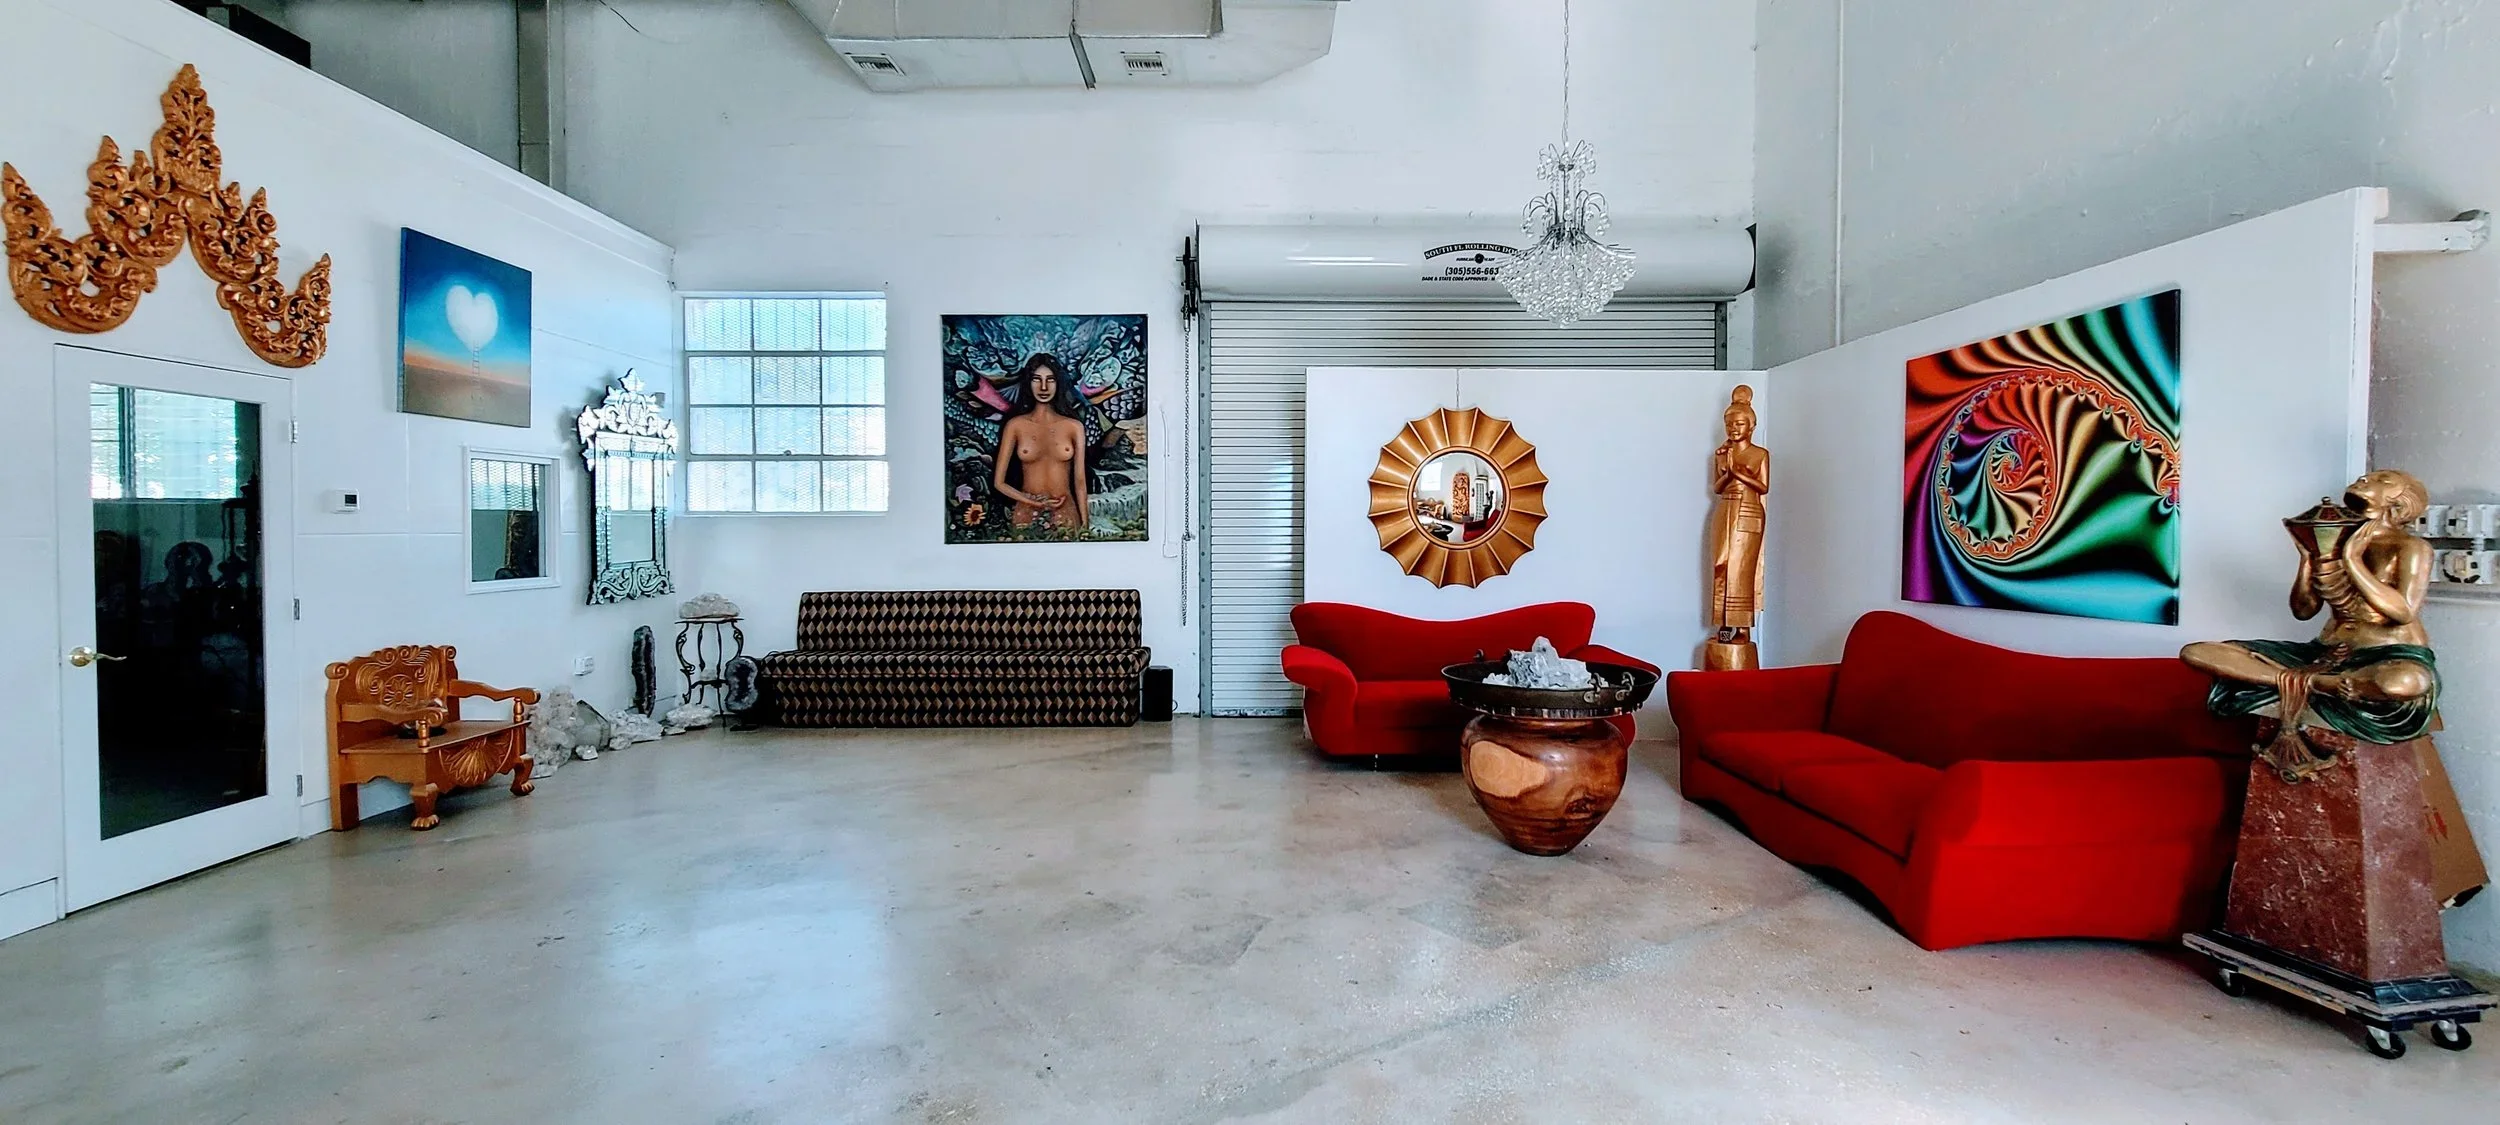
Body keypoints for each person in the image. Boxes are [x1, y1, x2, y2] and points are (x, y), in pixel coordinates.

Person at [2182, 470, 2440, 773]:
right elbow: (2303, 610)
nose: (2366, 479)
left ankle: (2298, 681)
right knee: (2197, 652)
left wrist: (2352, 560)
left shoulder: (2410, 547)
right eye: (2368, 476)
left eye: (2384, 480)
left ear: (2401, 502)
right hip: (2327, 654)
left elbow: (2403, 610)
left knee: (2407, 683)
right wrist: (2307, 558)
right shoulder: (2331, 535)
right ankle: (2319, 684)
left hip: (2387, 654)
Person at [992, 353, 1090, 533]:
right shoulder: (1016, 425)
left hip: (1065, 513)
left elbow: (1080, 481)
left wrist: (1086, 528)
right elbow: (999, 482)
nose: (1043, 387)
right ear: (1028, 383)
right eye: (1037, 379)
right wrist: (1032, 502)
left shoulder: (1074, 427)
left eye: (1050, 380)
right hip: (1026, 513)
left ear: (1058, 383)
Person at [1707, 386, 1770, 645]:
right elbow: (1717, 487)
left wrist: (1737, 472)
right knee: (1721, 563)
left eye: (1739, 423)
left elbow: (1763, 486)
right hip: (1725, 508)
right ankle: (1723, 622)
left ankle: (1741, 626)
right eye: (1730, 424)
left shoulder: (1759, 454)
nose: (1733, 428)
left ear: (1751, 426)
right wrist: (1726, 471)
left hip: (1749, 510)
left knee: (1742, 569)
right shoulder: (1721, 454)